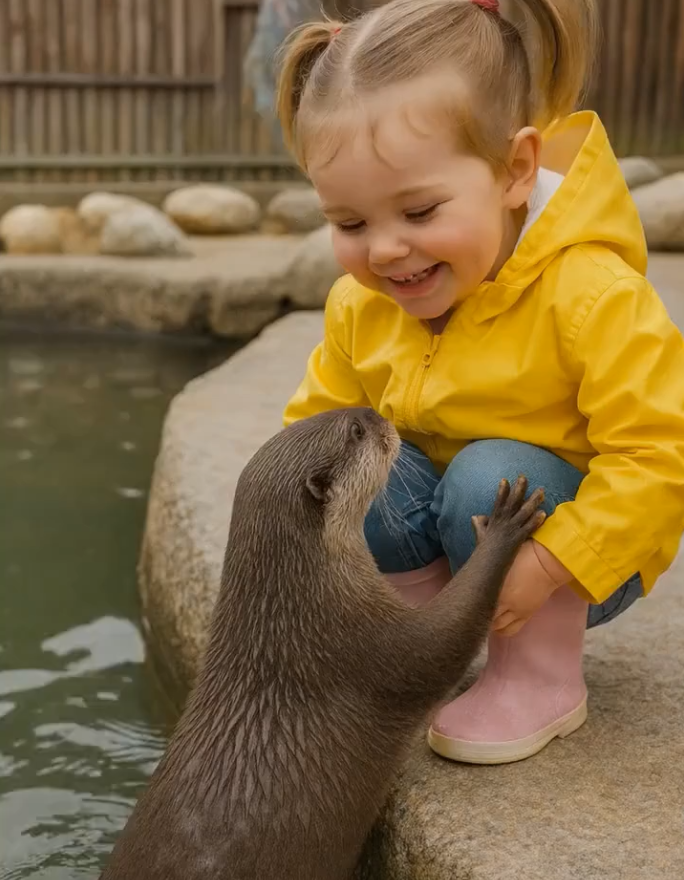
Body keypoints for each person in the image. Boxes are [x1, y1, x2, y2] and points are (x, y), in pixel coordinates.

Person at [275, 0, 684, 765]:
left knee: (489, 476)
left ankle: (537, 673)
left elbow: (663, 455)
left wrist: (554, 562)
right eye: (351, 224)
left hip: (572, 556)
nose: (389, 250)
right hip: (449, 542)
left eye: (420, 210)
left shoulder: (591, 294)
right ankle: (417, 643)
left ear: (515, 171)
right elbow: (312, 431)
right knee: (344, 458)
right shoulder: (362, 305)